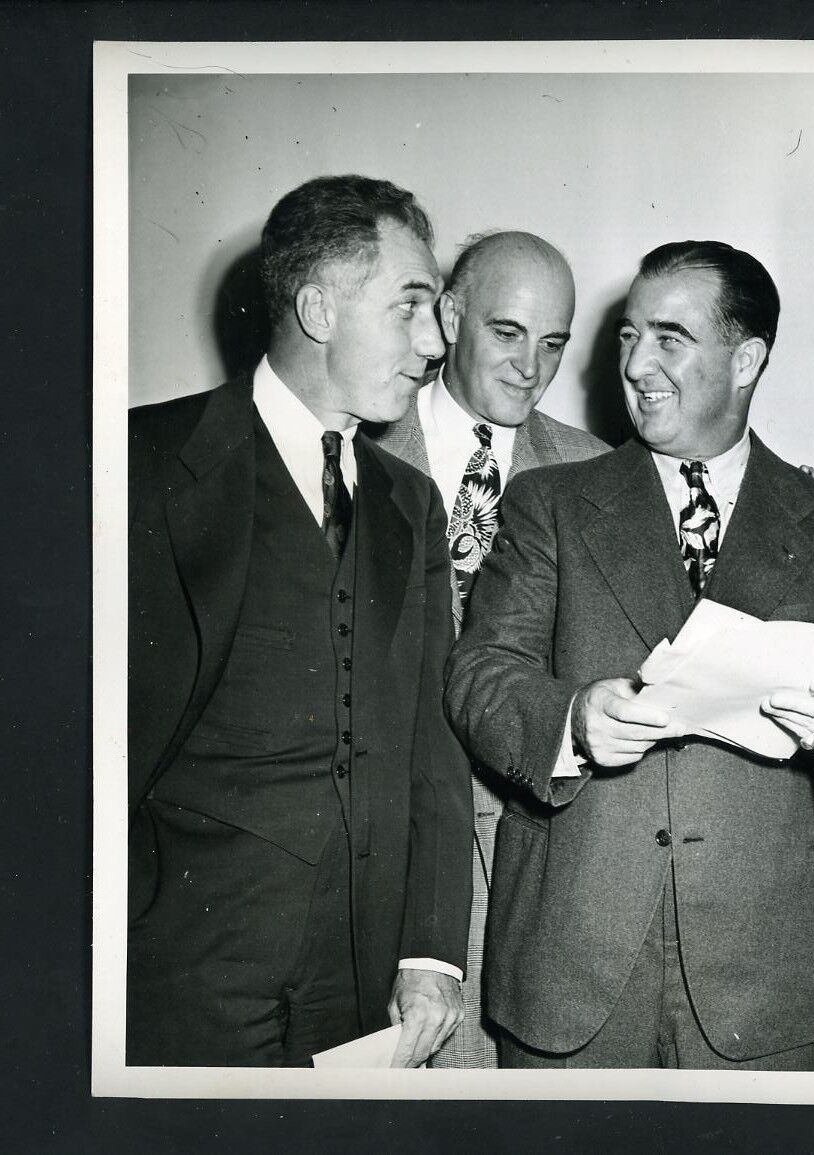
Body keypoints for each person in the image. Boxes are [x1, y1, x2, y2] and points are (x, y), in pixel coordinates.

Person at [445, 240, 814, 1069]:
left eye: (670, 338)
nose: (636, 364)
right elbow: (482, 672)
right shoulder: (548, 503)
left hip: (763, 976)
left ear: (747, 359)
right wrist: (573, 720)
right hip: (572, 963)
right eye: (628, 336)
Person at [127, 175, 472, 1067]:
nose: (436, 343)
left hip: (360, 992)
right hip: (178, 974)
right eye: (411, 308)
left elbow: (432, 746)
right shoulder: (140, 465)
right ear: (319, 309)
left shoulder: (413, 504)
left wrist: (430, 953)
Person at [369, 229, 607, 1068]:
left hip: (546, 866)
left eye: (553, 344)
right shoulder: (357, 452)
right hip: (394, 863)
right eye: (507, 333)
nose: (530, 368)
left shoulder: (597, 471)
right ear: (450, 316)